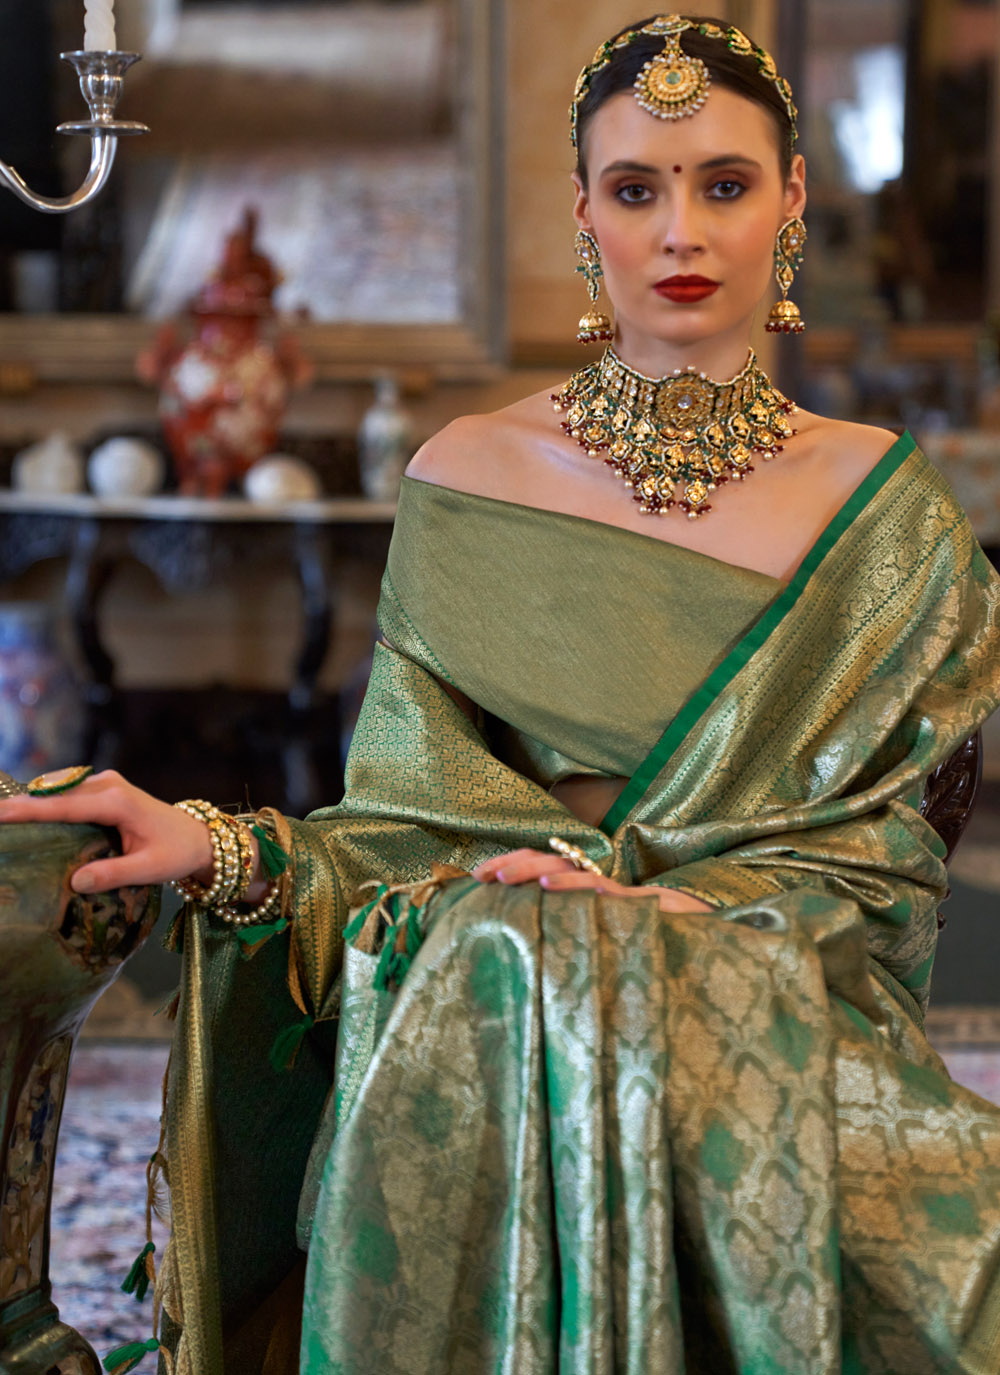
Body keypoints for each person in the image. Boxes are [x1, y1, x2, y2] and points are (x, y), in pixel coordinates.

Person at [4, 14, 1000, 1374]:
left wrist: (670, 917)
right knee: (510, 949)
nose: (682, 232)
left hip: (764, 1009)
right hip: (485, 989)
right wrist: (220, 847)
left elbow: (882, 876)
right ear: (585, 216)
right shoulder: (471, 476)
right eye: (636, 190)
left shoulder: (885, 514)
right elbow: (397, 839)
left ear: (792, 202)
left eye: (724, 184)